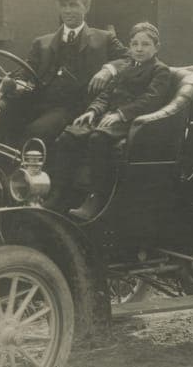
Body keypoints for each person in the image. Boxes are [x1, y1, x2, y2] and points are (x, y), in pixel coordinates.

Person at [48, 21, 172, 220]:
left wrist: (121, 114)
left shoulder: (160, 71)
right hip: (109, 117)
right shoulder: (125, 67)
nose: (139, 49)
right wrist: (93, 111)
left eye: (145, 44)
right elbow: (106, 93)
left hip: (134, 121)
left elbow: (151, 100)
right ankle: (59, 193)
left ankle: (96, 198)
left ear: (156, 47)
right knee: (69, 135)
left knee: (99, 138)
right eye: (135, 44)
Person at [0, 0, 128, 149]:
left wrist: (108, 69)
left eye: (73, 5)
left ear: (86, 5)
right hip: (35, 103)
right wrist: (18, 83)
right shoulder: (42, 42)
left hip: (71, 108)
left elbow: (130, 58)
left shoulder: (104, 39)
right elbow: (25, 72)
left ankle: (22, 173)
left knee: (36, 131)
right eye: (63, 5)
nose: (67, 11)